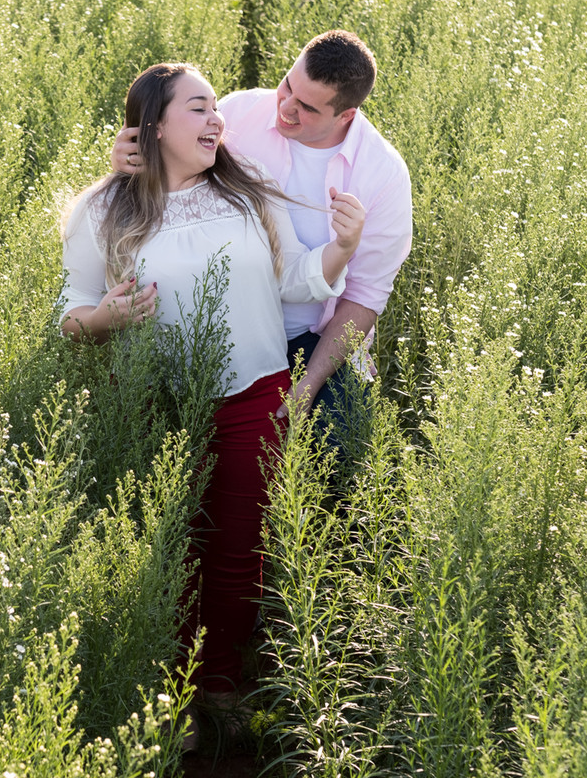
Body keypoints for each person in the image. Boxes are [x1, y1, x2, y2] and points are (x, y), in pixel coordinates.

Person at [59, 62, 364, 737]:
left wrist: (343, 247)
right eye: (198, 108)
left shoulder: (248, 193)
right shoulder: (103, 210)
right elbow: (71, 317)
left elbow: (298, 283)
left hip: (255, 394)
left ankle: (219, 685)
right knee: (162, 545)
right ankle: (162, 697)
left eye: (216, 109)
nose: (216, 119)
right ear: (155, 125)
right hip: (154, 404)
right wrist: (107, 317)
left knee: (237, 548)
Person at [112, 31, 413, 451]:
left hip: (309, 339)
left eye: (307, 108)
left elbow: (365, 296)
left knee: (341, 446)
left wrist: (308, 384)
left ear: (345, 115)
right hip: (220, 320)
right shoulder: (237, 113)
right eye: (288, 85)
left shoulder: (383, 176)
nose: (286, 108)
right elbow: (170, 159)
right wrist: (130, 163)